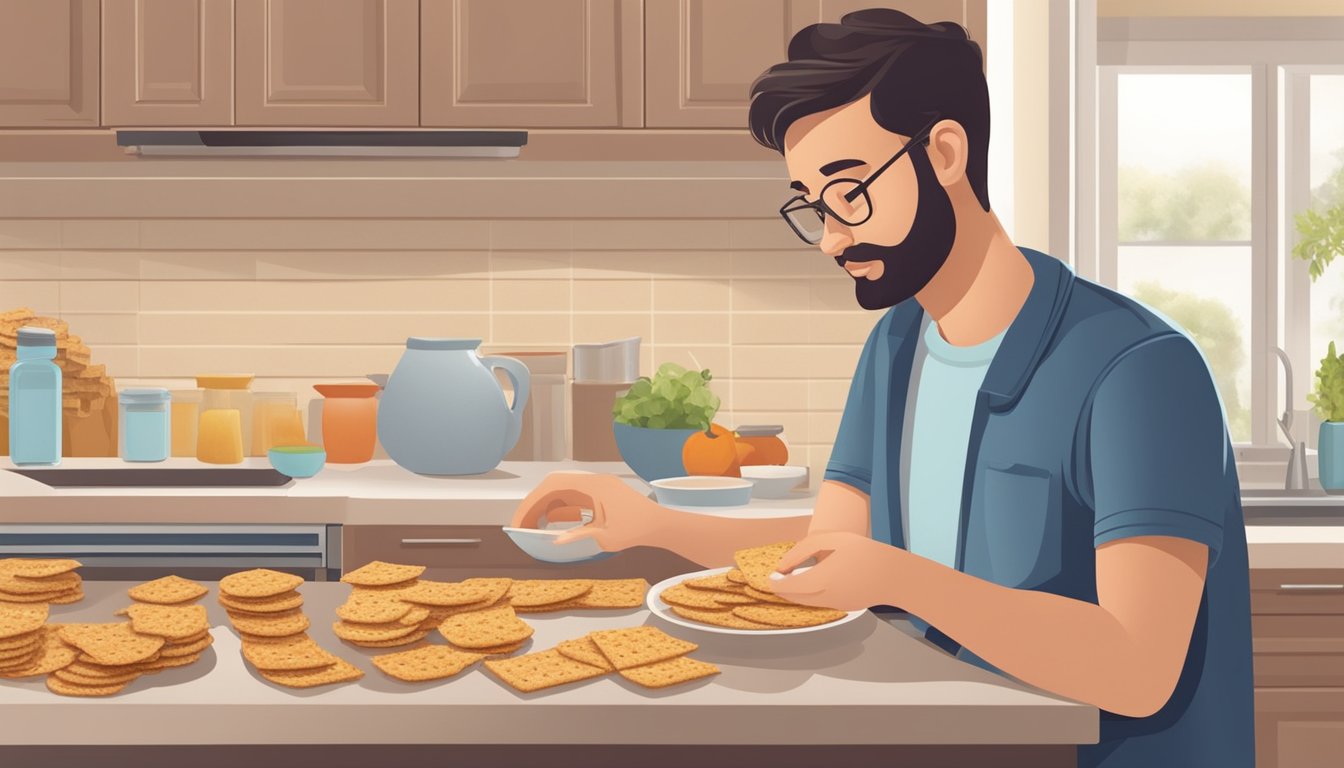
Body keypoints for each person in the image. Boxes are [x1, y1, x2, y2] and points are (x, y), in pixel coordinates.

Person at [512, 9, 1254, 767]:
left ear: (945, 153)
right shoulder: (898, 343)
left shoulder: (1137, 369)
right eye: (811, 206)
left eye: (849, 192)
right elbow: (829, 549)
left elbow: (1137, 668)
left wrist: (902, 578)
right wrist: (648, 522)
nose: (832, 237)